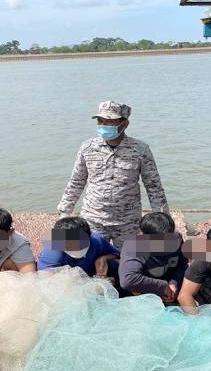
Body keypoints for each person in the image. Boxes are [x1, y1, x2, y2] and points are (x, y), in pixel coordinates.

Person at [57, 101, 169, 249]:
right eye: (100, 121)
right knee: (88, 261)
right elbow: (76, 182)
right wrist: (64, 212)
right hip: (93, 219)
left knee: (128, 263)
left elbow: (154, 187)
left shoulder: (140, 150)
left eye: (109, 122)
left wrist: (163, 220)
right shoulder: (87, 148)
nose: (103, 125)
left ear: (124, 124)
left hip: (128, 222)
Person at [118, 212, 188, 303]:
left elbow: (183, 264)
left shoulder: (177, 239)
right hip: (143, 289)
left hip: (170, 284)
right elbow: (127, 280)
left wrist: (174, 283)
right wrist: (163, 287)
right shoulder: (134, 246)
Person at [37, 216, 120, 280]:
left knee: (114, 264)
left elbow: (117, 254)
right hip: (65, 282)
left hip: (91, 273)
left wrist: (104, 258)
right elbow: (46, 280)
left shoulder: (97, 240)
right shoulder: (52, 251)